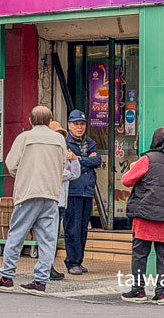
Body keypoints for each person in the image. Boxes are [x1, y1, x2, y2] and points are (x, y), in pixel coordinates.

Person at [0, 105, 66, 295]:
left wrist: (21, 174)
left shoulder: (24, 138)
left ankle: (7, 277)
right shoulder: (59, 139)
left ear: (30, 121)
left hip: (28, 192)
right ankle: (41, 282)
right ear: (50, 121)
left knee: (16, 234)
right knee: (48, 239)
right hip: (51, 194)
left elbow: (11, 164)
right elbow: (63, 163)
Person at [120, 127, 164, 305]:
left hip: (146, 215)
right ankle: (162, 293)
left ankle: (138, 290)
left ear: (155, 141)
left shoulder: (147, 159)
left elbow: (126, 180)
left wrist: (134, 167)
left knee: (140, 253)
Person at [63, 109, 101, 275]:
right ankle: (72, 261)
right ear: (69, 125)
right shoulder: (65, 143)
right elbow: (68, 165)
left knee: (83, 227)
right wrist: (87, 161)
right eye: (76, 124)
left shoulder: (91, 142)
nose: (79, 127)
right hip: (73, 190)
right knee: (72, 227)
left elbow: (97, 160)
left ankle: (79, 260)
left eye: (82, 124)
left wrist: (78, 159)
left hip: (87, 189)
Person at [48, 119, 82, 281]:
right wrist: (67, 171)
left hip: (61, 201)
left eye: (61, 135)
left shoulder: (64, 152)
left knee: (53, 234)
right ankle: (46, 267)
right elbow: (58, 174)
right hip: (50, 199)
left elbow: (74, 174)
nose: (60, 137)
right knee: (49, 234)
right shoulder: (48, 153)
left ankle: (48, 266)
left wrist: (74, 160)